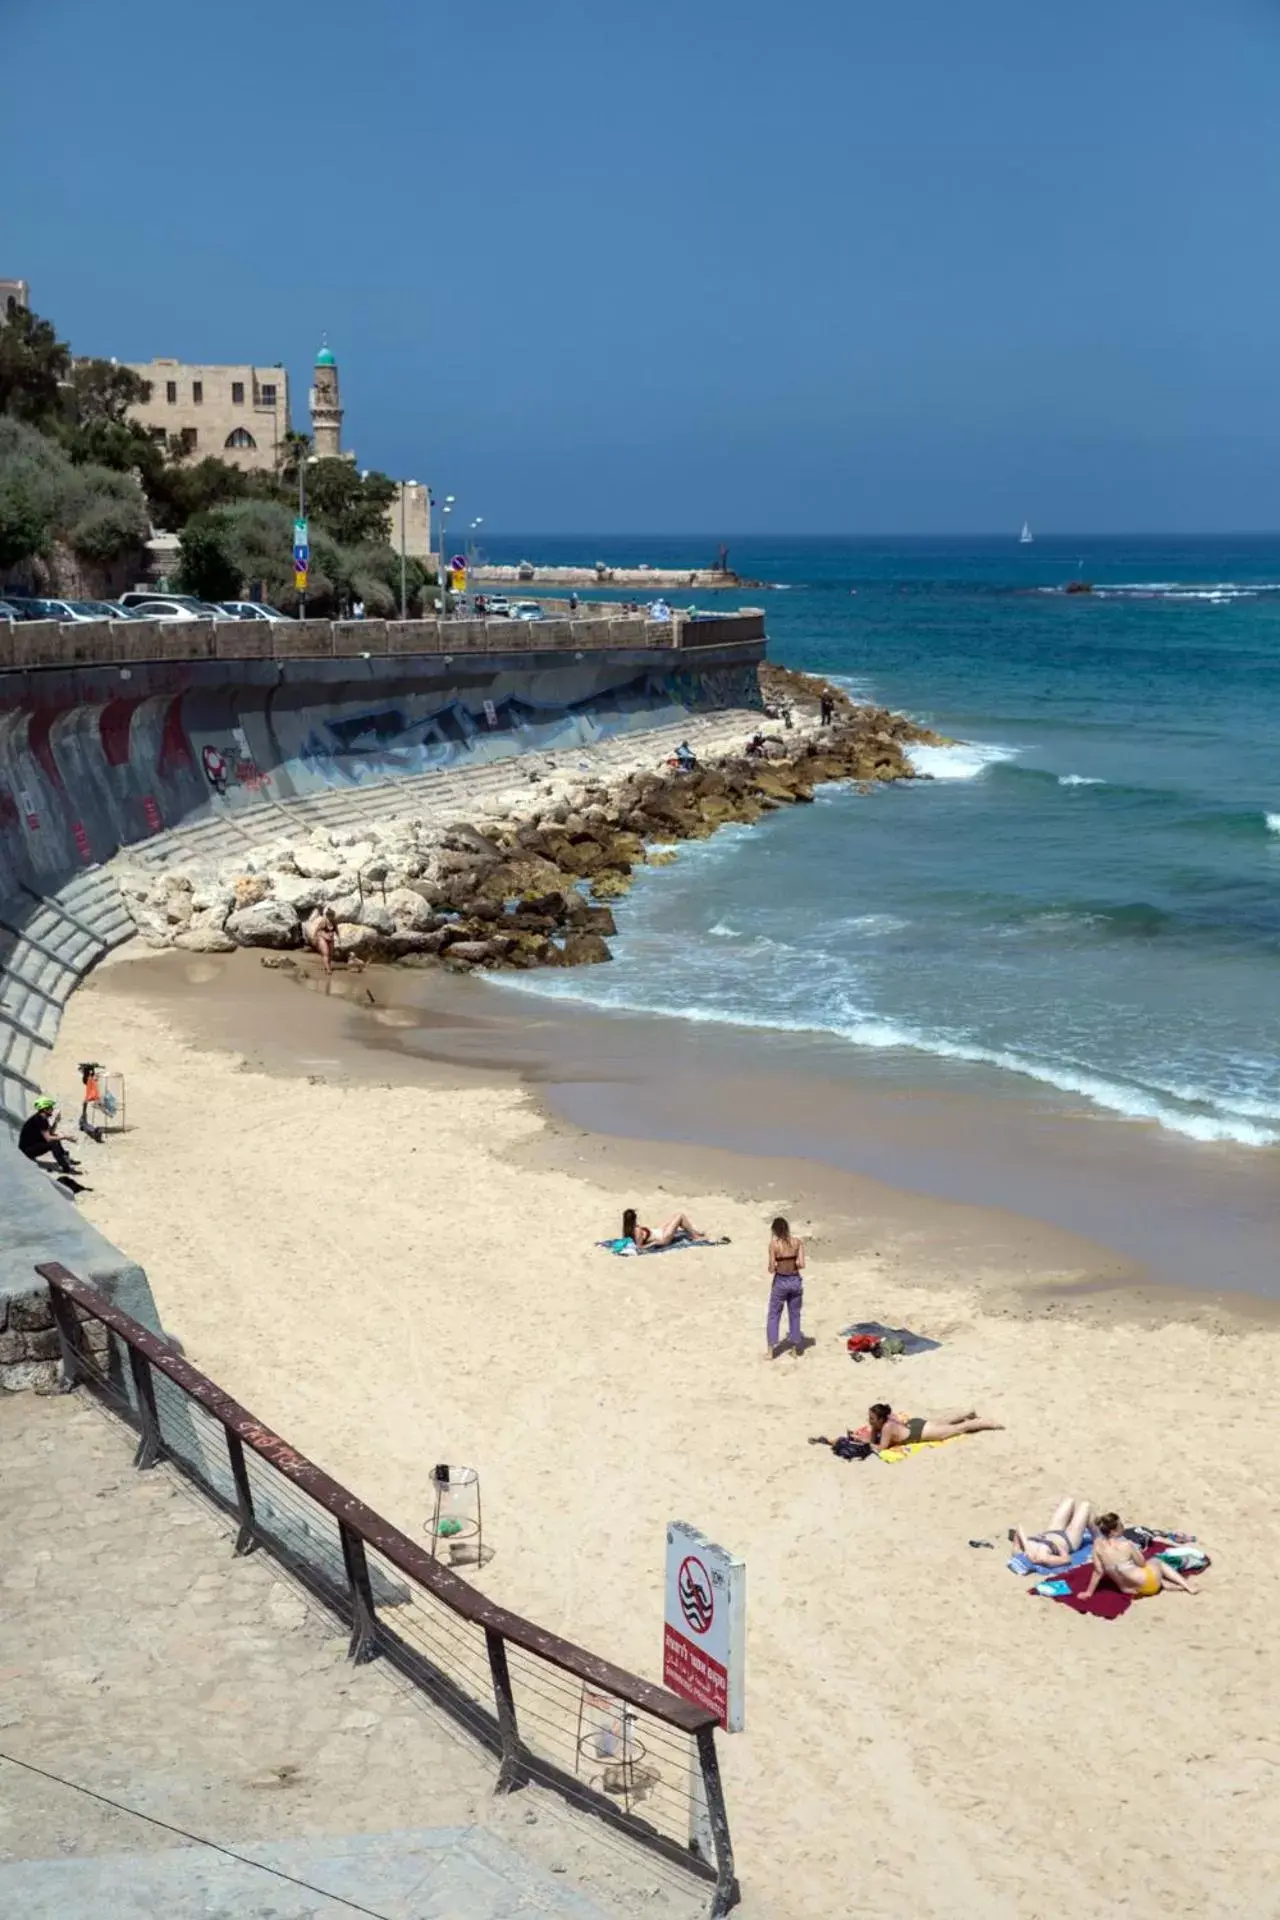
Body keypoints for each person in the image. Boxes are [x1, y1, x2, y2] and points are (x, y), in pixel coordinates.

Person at [1083, 1513, 1198, 1600]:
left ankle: (1165, 1585)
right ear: (1113, 1531)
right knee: (1156, 1561)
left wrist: (1088, 1592)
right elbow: (1142, 1563)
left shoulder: (1097, 1546)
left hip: (1129, 1590)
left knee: (1134, 1573)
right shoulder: (1126, 1544)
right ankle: (1187, 1586)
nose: (1123, 1527)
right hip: (1150, 1584)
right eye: (1120, 1525)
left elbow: (1098, 1571)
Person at [866, 1403, 1004, 1451]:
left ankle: (990, 1423)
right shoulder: (888, 1418)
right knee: (945, 1422)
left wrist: (867, 1443)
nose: (869, 1420)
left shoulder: (887, 1428)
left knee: (959, 1428)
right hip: (915, 1424)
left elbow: (882, 1447)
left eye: (872, 1418)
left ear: (881, 1419)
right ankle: (969, 1413)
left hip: (920, 1432)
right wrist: (873, 1427)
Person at [1010, 1495, 1093, 1566]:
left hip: (1051, 1531)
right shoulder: (1043, 1558)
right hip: (1068, 1540)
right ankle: (1097, 1534)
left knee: (1069, 1500)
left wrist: (1027, 1546)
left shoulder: (1019, 1552)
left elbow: (1019, 1528)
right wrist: (1058, 1547)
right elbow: (1067, 1559)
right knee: (1085, 1506)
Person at [766, 1215, 805, 1358]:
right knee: (794, 1314)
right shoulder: (797, 1242)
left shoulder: (774, 1245)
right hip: (795, 1280)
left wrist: (777, 1265)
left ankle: (771, 1351)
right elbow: (801, 1264)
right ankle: (794, 1350)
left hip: (781, 1281)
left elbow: (771, 1268)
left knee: (774, 1315)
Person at [18, 1098, 80, 1176]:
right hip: (27, 1150)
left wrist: (56, 1121)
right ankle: (66, 1168)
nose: (52, 1110)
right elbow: (48, 1138)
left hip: (32, 1145)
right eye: (51, 1108)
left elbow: (49, 1133)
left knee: (55, 1138)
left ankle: (66, 1159)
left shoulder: (41, 1118)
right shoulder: (40, 1119)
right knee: (53, 1142)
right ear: (45, 1109)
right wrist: (66, 1137)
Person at [621, 1206, 708, 1250]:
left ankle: (695, 1233)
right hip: (663, 1237)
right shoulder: (637, 1231)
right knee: (680, 1216)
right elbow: (640, 1248)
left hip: (658, 1232)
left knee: (675, 1216)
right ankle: (695, 1236)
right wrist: (654, 1243)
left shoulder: (626, 1230)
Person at [305, 905, 338, 975]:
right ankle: (328, 969)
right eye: (332, 916)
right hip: (322, 938)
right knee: (326, 953)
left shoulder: (334, 922)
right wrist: (314, 938)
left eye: (333, 916)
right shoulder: (324, 921)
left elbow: (337, 931)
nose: (333, 917)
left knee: (331, 955)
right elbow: (317, 929)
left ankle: (327, 966)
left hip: (331, 939)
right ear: (328, 916)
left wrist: (339, 939)